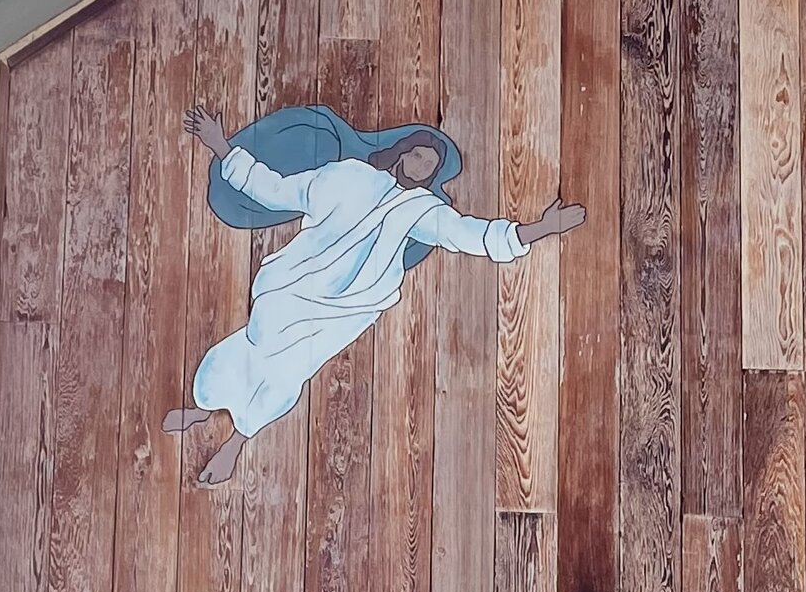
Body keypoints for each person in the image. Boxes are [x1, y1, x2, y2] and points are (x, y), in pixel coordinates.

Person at [164, 104, 584, 487]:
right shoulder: (346, 176)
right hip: (290, 290)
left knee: (286, 374)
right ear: (402, 151)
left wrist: (540, 229)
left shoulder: (422, 211)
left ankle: (235, 444)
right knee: (251, 345)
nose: (419, 165)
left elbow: (469, 234)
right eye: (418, 154)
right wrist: (220, 145)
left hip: (341, 313)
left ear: (432, 176)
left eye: (429, 165)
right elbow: (275, 190)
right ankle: (202, 408)